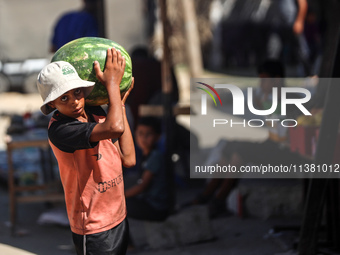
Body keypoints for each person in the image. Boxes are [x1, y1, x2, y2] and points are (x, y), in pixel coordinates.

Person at [36, 48, 135, 254]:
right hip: (93, 227)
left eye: (77, 92)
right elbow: (115, 127)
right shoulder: (61, 130)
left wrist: (121, 107)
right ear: (52, 104)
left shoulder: (94, 112)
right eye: (64, 98)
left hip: (118, 215)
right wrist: (112, 86)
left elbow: (129, 159)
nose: (74, 101)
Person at [186, 59, 310, 218]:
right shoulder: (272, 98)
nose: (261, 85)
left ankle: (219, 200)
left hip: (288, 151)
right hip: (273, 144)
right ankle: (208, 194)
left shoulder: (291, 99)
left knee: (241, 151)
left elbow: (289, 134)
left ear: (277, 80)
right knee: (229, 146)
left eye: (264, 80)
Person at [125, 116, 172, 222]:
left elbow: (142, 186)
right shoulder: (146, 155)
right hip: (149, 202)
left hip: (157, 208)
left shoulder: (155, 156)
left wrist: (120, 196)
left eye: (148, 134)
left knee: (120, 205)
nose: (143, 138)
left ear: (157, 136)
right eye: (140, 133)